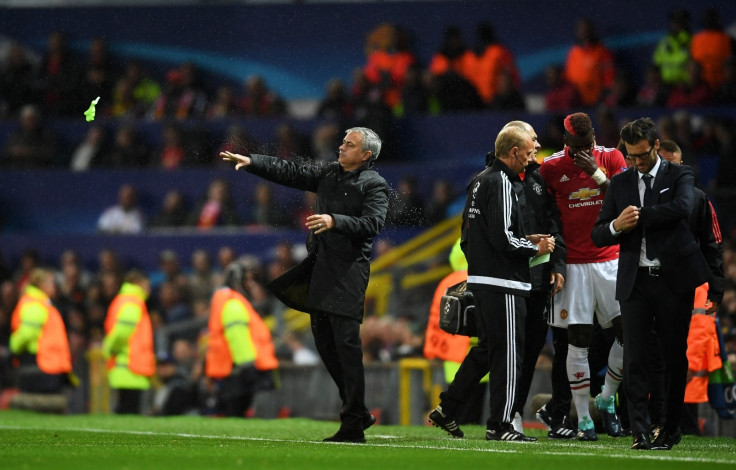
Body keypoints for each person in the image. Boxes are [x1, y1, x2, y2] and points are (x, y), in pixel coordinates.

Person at [221, 126, 388, 442]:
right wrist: (253, 161)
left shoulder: (374, 185)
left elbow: (373, 224)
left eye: (349, 145)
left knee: (348, 348)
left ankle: (353, 424)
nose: (341, 147)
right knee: (326, 346)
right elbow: (291, 171)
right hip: (320, 268)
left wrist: (334, 221)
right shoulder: (329, 173)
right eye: (342, 142)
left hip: (348, 273)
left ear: (365, 155)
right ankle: (359, 410)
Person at [591, 117, 713, 450]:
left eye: (643, 155)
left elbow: (683, 207)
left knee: (674, 357)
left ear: (656, 146)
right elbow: (599, 232)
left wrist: (640, 216)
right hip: (636, 282)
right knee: (635, 358)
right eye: (631, 156)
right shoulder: (620, 184)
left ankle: (670, 429)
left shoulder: (680, 174)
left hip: (674, 281)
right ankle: (640, 431)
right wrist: (617, 224)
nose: (637, 162)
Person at [428, 125, 555, 442]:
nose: (531, 157)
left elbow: (469, 237)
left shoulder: (479, 181)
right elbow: (503, 239)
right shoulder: (501, 181)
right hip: (504, 284)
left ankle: (448, 408)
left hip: (484, 281)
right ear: (513, 152)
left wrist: (484, 267)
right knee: (510, 355)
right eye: (528, 151)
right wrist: (534, 247)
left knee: (488, 350)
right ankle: (500, 426)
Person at [538, 112, 628, 441]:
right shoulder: (550, 168)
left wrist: (597, 173)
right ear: (566, 143)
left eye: (588, 145)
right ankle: (584, 420)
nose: (585, 153)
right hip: (572, 266)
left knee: (626, 333)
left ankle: (606, 400)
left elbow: (628, 201)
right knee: (578, 341)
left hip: (610, 260)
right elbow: (541, 214)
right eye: (578, 149)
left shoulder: (611, 157)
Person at [653, 139, 725, 436]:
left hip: (686, 288)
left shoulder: (698, 199)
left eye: (674, 164)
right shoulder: (640, 194)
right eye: (664, 164)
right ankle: (645, 420)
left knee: (680, 354)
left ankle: (678, 423)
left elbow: (713, 244)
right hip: (648, 285)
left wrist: (716, 288)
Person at [205, 261, 278, 417]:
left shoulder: (230, 302)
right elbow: (238, 339)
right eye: (247, 280)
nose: (251, 284)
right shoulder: (234, 305)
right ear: (237, 281)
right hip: (239, 373)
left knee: (235, 415)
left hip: (232, 370)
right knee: (237, 416)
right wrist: (248, 368)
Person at [9, 268, 72, 397]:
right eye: (51, 282)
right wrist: (14, 349)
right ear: (42, 285)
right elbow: (26, 334)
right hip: (39, 364)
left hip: (48, 364)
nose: (54, 286)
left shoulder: (42, 303)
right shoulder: (35, 305)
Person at [102, 270, 155, 414]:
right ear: (136, 284)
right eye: (146, 284)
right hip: (130, 367)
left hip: (126, 366)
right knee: (128, 410)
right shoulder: (132, 302)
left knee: (125, 408)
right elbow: (122, 332)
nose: (149, 288)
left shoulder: (125, 300)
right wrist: (110, 348)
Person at [564, 18, 616, 107]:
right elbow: (568, 76)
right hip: (577, 101)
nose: (584, 32)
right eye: (581, 29)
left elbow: (609, 74)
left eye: (586, 29)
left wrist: (605, 92)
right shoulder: (573, 51)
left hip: (596, 99)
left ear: (592, 30)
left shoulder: (602, 51)